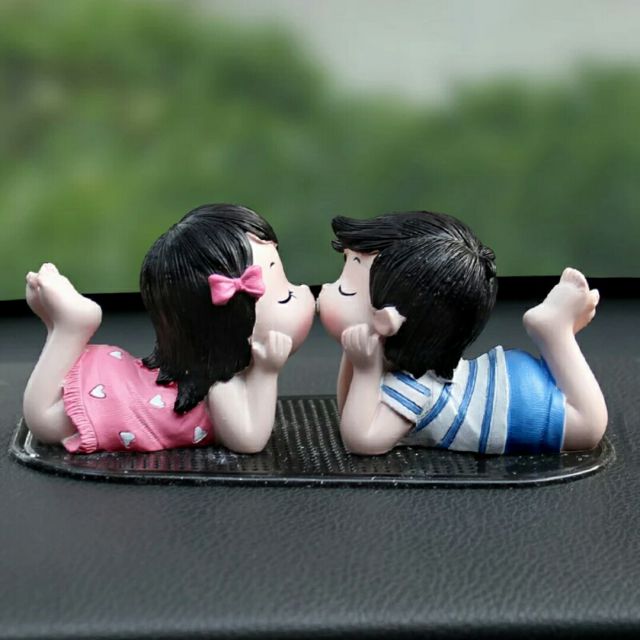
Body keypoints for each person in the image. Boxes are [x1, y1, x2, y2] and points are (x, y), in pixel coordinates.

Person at [23, 203, 315, 454]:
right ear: (234, 325)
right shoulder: (221, 388)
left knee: (47, 408)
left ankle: (61, 326)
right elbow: (249, 441)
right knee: (43, 419)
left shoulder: (213, 380)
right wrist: (266, 372)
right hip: (116, 405)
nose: (303, 294)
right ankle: (71, 327)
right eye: (286, 297)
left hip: (121, 384)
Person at [318, 211, 607, 455]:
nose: (327, 290)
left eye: (346, 290)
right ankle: (554, 332)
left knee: (589, 426)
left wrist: (366, 370)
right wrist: (358, 359)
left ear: (387, 320)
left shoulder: (414, 388)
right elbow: (349, 412)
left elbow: (361, 441)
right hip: (507, 382)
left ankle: (554, 331)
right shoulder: (406, 376)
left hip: (523, 409)